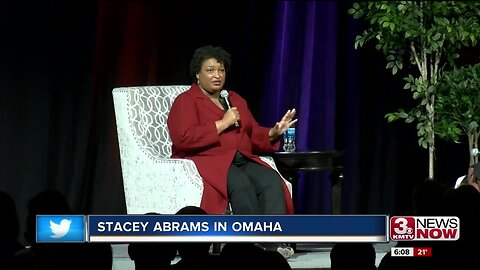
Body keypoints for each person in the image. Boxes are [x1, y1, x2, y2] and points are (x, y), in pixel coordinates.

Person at [167, 45, 297, 257]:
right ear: (197, 74)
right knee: (240, 183)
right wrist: (222, 123)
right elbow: (183, 138)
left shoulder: (234, 99)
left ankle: (275, 242)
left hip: (241, 158)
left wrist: (274, 132)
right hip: (210, 159)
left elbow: (252, 134)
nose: (217, 75)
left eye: (221, 70)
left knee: (271, 180)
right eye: (210, 70)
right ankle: (251, 246)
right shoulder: (186, 101)